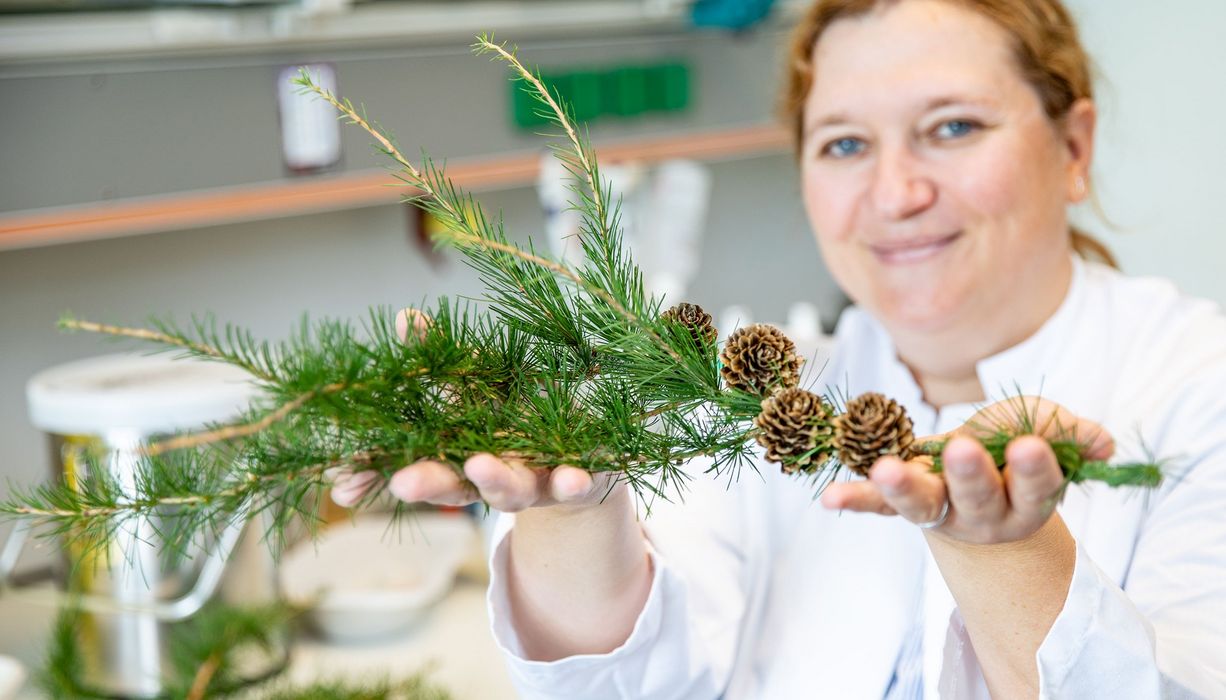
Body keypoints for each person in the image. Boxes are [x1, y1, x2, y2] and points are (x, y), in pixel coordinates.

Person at [333, 0, 1226, 696]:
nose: (896, 192)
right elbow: (628, 682)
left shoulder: (1197, 383)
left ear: (1073, 147)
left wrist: (1005, 554)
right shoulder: (766, 398)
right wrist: (573, 510)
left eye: (953, 126)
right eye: (844, 144)